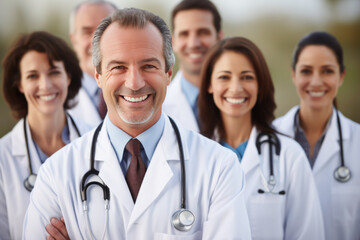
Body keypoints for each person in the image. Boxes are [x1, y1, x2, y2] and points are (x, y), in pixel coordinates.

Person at [23, 8, 252, 239]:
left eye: (148, 66)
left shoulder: (219, 168)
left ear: (168, 73)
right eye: (118, 67)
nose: (134, 83)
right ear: (98, 76)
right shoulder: (56, 174)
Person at [198, 37, 325, 239]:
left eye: (247, 77)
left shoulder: (289, 155)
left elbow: (308, 233)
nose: (236, 88)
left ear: (260, 84)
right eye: (224, 77)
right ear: (209, 85)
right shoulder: (194, 156)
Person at [0, 31, 90, 240]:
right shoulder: (3, 158)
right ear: (20, 84)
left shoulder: (98, 142)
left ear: (68, 76)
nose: (45, 85)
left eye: (54, 72)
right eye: (33, 76)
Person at [273, 31, 360, 240]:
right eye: (306, 71)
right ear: (294, 74)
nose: (316, 81)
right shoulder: (268, 139)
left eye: (327, 71)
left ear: (341, 76)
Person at [162, 0, 223, 132]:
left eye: (203, 32)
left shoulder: (242, 101)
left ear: (219, 38)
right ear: (173, 42)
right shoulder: (160, 107)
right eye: (184, 34)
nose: (193, 43)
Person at [67, 0, 117, 128]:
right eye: (87, 32)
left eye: (105, 30)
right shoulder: (59, 99)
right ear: (74, 40)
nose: (97, 41)